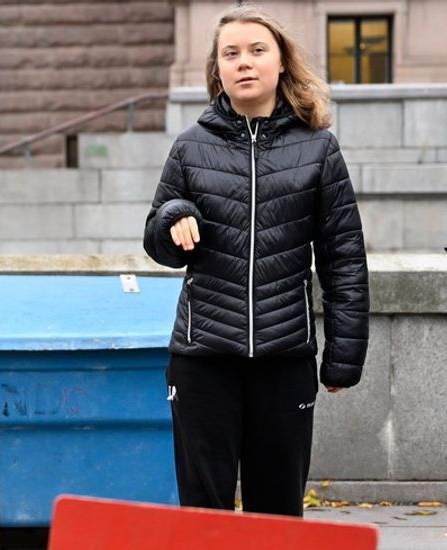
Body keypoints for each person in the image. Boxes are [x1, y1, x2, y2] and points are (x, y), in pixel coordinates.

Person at [143, 6, 369, 517]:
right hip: (203, 360)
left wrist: (344, 356)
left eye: (257, 50)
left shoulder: (318, 150)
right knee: (204, 512)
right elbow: (157, 243)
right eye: (231, 53)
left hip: (284, 360)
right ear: (217, 69)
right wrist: (174, 217)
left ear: (281, 63)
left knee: (277, 514)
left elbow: (344, 259)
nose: (244, 62)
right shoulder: (189, 147)